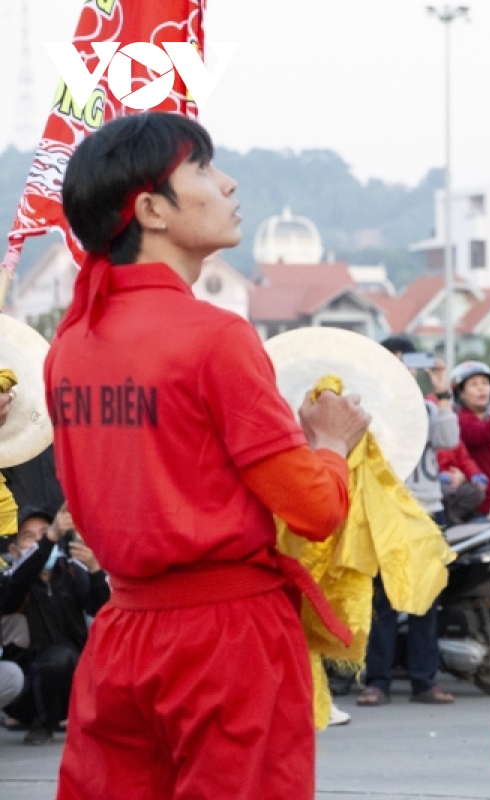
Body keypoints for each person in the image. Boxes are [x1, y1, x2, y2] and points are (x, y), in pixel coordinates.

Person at [47, 112, 370, 799]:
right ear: (150, 210)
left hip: (122, 632)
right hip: (228, 637)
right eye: (201, 169)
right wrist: (332, 443)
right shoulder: (215, 337)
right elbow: (313, 510)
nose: (227, 184)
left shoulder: (69, 346)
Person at [358, 337, 460, 709]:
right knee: (382, 601)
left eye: (407, 362)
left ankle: (424, 681)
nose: (402, 369)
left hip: (427, 510)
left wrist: (441, 390)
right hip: (386, 512)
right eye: (393, 361)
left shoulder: (429, 409)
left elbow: (449, 439)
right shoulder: (371, 410)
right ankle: (377, 681)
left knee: (425, 599)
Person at [1, 505, 109, 745]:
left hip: (73, 681)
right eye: (30, 536)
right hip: (28, 690)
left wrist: (94, 570)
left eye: (46, 532)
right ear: (14, 549)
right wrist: (49, 538)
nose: (40, 540)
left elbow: (104, 613)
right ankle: (42, 723)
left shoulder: (70, 573)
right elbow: (17, 584)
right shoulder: (11, 580)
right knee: (58, 657)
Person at [452, 361, 490, 514]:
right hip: (483, 504)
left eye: (485, 383)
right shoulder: (462, 420)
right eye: (473, 384)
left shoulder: (486, 419)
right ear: (461, 393)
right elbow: (485, 434)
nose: (481, 388)